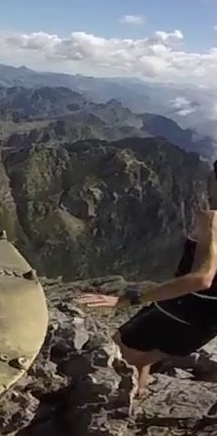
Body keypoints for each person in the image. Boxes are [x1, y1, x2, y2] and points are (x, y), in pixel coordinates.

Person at [76, 159, 217, 396]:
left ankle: (112, 414)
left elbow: (201, 279)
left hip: (183, 311)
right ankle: (137, 396)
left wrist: (129, 299)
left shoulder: (212, 219)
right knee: (143, 358)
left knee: (118, 351)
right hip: (207, 322)